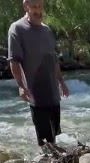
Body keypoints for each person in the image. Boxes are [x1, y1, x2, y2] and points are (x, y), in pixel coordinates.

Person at [8, 0, 69, 151]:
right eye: (34, 7)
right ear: (25, 7)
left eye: (40, 7)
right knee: (45, 141)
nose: (38, 10)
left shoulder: (46, 30)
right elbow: (14, 60)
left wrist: (61, 82)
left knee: (54, 137)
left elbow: (53, 59)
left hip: (53, 93)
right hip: (36, 94)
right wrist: (21, 86)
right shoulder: (17, 29)